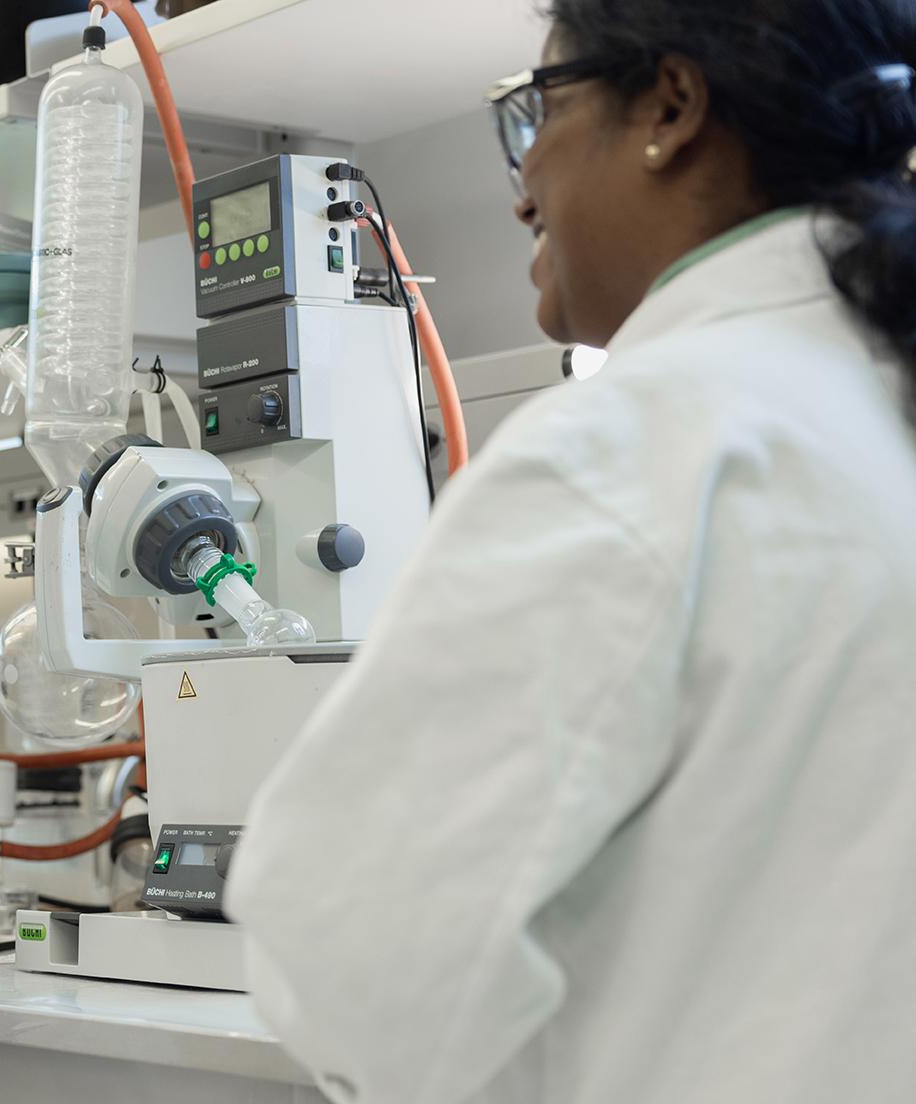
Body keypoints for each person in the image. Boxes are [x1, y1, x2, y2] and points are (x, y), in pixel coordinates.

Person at [224, 1, 916, 1102]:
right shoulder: (867, 403)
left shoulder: (636, 444)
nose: (520, 188)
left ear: (670, 107)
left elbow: (345, 953)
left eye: (536, 113)